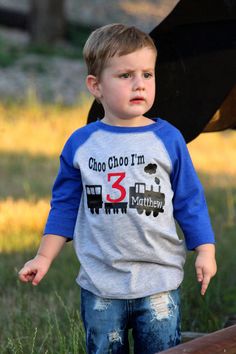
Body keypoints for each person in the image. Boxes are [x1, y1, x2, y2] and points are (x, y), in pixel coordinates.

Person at [18, 24, 217, 354]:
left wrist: (205, 249)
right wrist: (44, 255)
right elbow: (65, 206)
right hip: (101, 284)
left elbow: (189, 199)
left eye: (147, 74)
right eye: (125, 75)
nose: (139, 84)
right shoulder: (82, 144)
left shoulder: (167, 139)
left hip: (158, 281)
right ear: (95, 86)